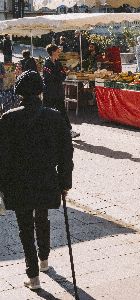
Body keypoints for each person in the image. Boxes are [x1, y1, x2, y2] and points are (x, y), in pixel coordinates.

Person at [0, 70, 74, 290]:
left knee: (24, 227)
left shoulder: (8, 118)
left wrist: (2, 185)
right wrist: (65, 182)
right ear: (41, 91)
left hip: (18, 181)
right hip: (46, 178)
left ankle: (32, 276)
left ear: (19, 93)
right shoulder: (54, 116)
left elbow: (2, 156)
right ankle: (44, 260)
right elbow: (66, 153)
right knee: (42, 218)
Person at [43, 44, 80, 138]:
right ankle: (44, 132)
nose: (59, 53)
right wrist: (60, 76)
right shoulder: (46, 63)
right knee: (47, 113)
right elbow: (48, 78)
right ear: (52, 52)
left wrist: (62, 74)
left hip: (58, 92)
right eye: (58, 51)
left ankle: (68, 131)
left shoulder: (58, 63)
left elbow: (62, 76)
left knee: (62, 112)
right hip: (49, 92)